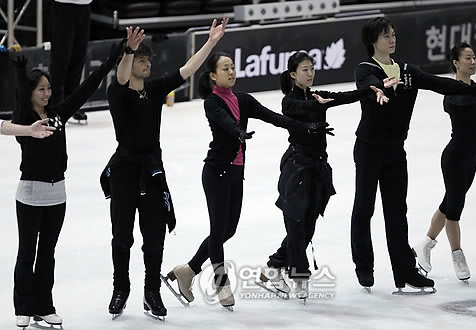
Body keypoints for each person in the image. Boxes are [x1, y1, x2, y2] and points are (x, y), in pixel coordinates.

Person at [165, 52, 331, 310]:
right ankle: (222, 284)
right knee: (219, 231)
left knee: (228, 230)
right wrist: (238, 131)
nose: (231, 72)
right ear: (213, 76)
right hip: (216, 172)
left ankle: (188, 270)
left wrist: (306, 127)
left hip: (235, 173)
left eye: (232, 67)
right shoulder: (212, 102)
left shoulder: (243, 99)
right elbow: (224, 122)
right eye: (225, 69)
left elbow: (274, 117)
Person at [350, 17, 476, 293]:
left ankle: (405, 271)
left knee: (397, 211)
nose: (392, 39)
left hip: (396, 150)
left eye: (393, 34)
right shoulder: (365, 69)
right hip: (369, 149)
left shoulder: (407, 70)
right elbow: (368, 83)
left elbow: (442, 84)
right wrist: (378, 88)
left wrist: (475, 89)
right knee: (364, 209)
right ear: (374, 40)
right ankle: (364, 267)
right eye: (386, 36)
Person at [100, 19, 229, 319]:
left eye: (148, 60)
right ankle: (121, 289)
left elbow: (187, 70)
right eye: (141, 60)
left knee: (154, 236)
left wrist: (211, 42)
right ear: (129, 62)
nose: (147, 64)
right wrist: (129, 51)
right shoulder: (117, 93)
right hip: (124, 170)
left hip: (152, 170)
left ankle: (151, 292)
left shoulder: (156, 89)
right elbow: (120, 78)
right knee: (122, 236)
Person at [260, 51, 392, 300]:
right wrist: (315, 106)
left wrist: (373, 87)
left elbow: (346, 97)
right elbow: (299, 108)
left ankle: (274, 266)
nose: (310, 74)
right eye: (304, 70)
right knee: (298, 225)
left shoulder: (318, 95)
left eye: (312, 68)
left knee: (308, 225)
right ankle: (299, 275)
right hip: (297, 169)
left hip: (318, 168)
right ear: (293, 74)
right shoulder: (289, 101)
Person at [11, 40, 124, 328]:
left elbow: (87, 87)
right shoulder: (24, 118)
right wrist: (29, 130)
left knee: (47, 254)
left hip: (57, 194)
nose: (48, 93)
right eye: (41, 89)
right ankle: (23, 307)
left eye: (48, 88)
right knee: (27, 253)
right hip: (30, 195)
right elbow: (4, 127)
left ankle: (44, 306)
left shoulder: (59, 115)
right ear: (30, 92)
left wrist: (113, 58)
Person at [414, 42, 476, 282]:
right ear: (455, 63)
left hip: (473, 156)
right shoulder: (452, 91)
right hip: (454, 157)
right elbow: (462, 101)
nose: (473, 62)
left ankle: (426, 243)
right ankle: (457, 254)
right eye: (467, 58)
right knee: (455, 207)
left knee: (449, 201)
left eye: (474, 58)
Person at [50, 0, 93, 123]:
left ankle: (72, 105)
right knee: (61, 58)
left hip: (85, 6)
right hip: (64, 5)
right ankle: (55, 106)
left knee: (78, 58)